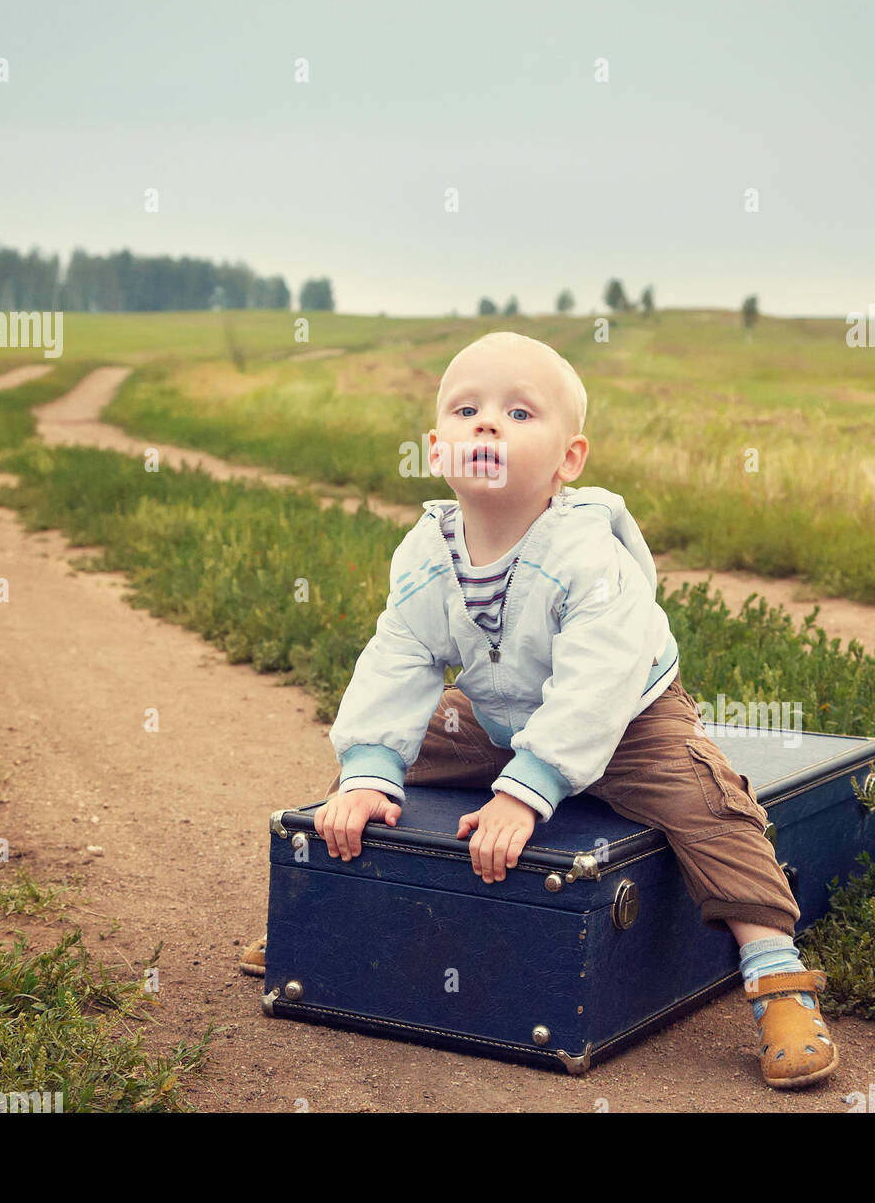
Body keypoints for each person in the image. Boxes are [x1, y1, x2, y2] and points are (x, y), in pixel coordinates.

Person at [242, 331, 837, 1088]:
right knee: (392, 754)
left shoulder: (587, 553)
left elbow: (594, 685)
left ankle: (773, 971)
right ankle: (324, 911)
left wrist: (527, 792)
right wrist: (367, 769)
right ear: (436, 449)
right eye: (468, 410)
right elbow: (402, 658)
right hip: (498, 717)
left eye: (519, 413)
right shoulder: (427, 552)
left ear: (570, 459)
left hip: (627, 720)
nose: (487, 424)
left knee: (706, 803)